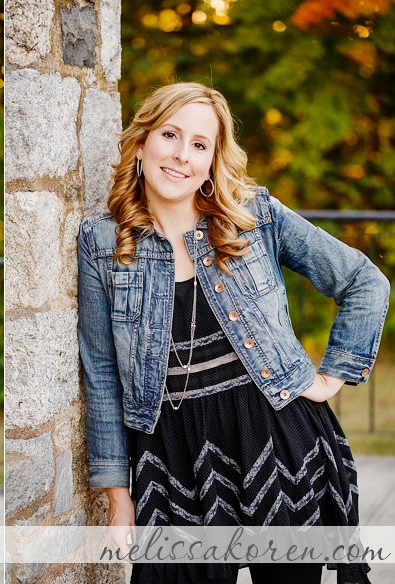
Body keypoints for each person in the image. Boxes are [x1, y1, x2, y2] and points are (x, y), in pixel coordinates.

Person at [77, 81, 389, 584]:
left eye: (199, 144)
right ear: (141, 143)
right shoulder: (101, 243)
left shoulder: (253, 215)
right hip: (170, 454)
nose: (181, 156)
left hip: (274, 438)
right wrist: (118, 495)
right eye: (170, 135)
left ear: (213, 159)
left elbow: (363, 280)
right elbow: (101, 373)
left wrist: (332, 376)